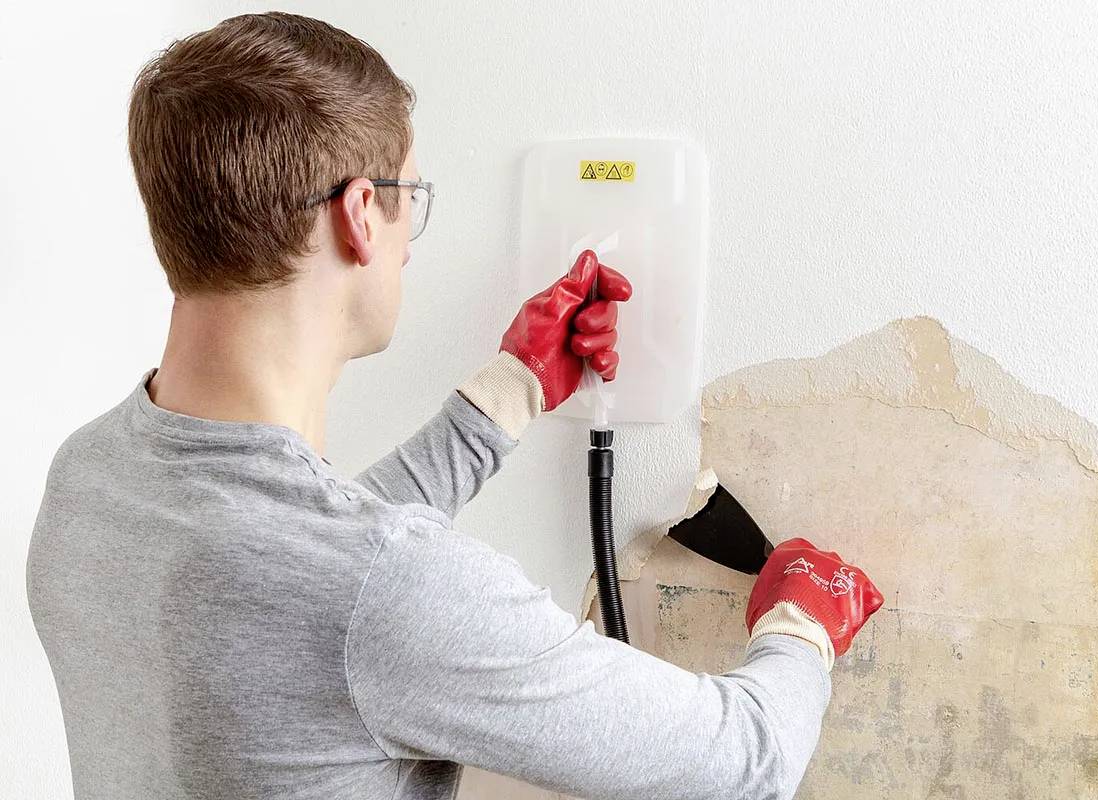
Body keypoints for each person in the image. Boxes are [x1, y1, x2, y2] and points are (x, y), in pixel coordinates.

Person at [25, 12, 883, 800]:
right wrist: (802, 621)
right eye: (411, 199)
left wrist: (506, 394)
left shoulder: (88, 480)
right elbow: (748, 761)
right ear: (362, 215)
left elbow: (295, 575)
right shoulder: (387, 588)